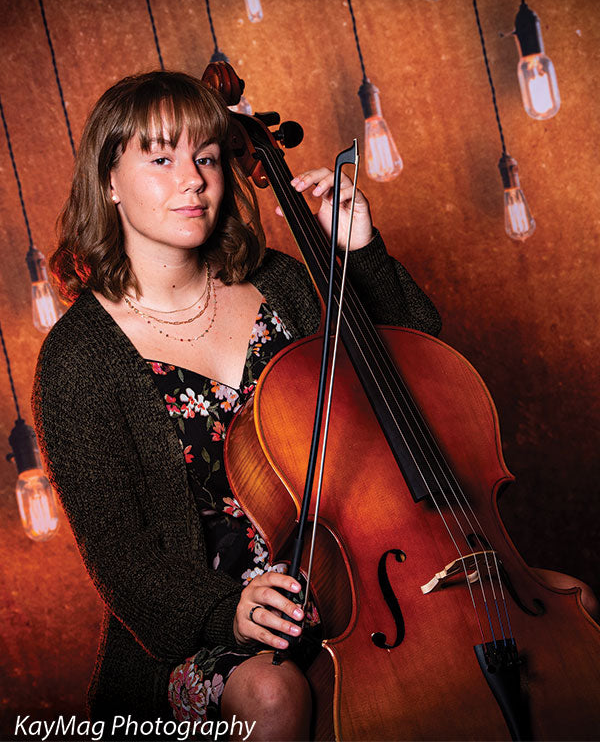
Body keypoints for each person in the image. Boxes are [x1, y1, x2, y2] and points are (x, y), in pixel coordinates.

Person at [31, 70, 442, 740]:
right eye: (161, 159)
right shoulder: (79, 359)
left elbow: (420, 370)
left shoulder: (281, 282)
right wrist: (228, 610)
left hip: (355, 583)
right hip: (203, 625)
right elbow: (120, 555)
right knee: (272, 692)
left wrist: (358, 251)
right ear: (107, 180)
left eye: (207, 157)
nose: (192, 179)